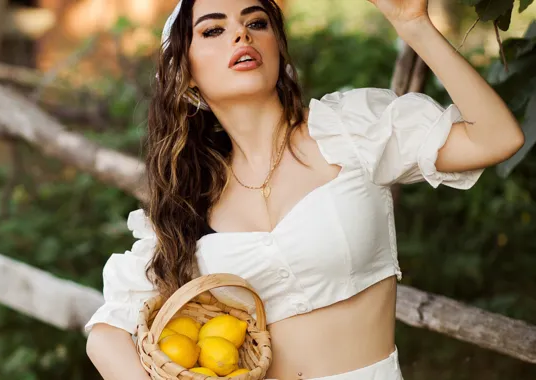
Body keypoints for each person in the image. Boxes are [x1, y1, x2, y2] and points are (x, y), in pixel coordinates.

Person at [84, 0, 524, 379]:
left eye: (256, 22)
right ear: (186, 74)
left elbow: (496, 138)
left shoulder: (349, 130)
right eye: (214, 29)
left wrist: (414, 25)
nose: (240, 33)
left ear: (278, 47)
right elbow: (106, 335)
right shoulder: (190, 204)